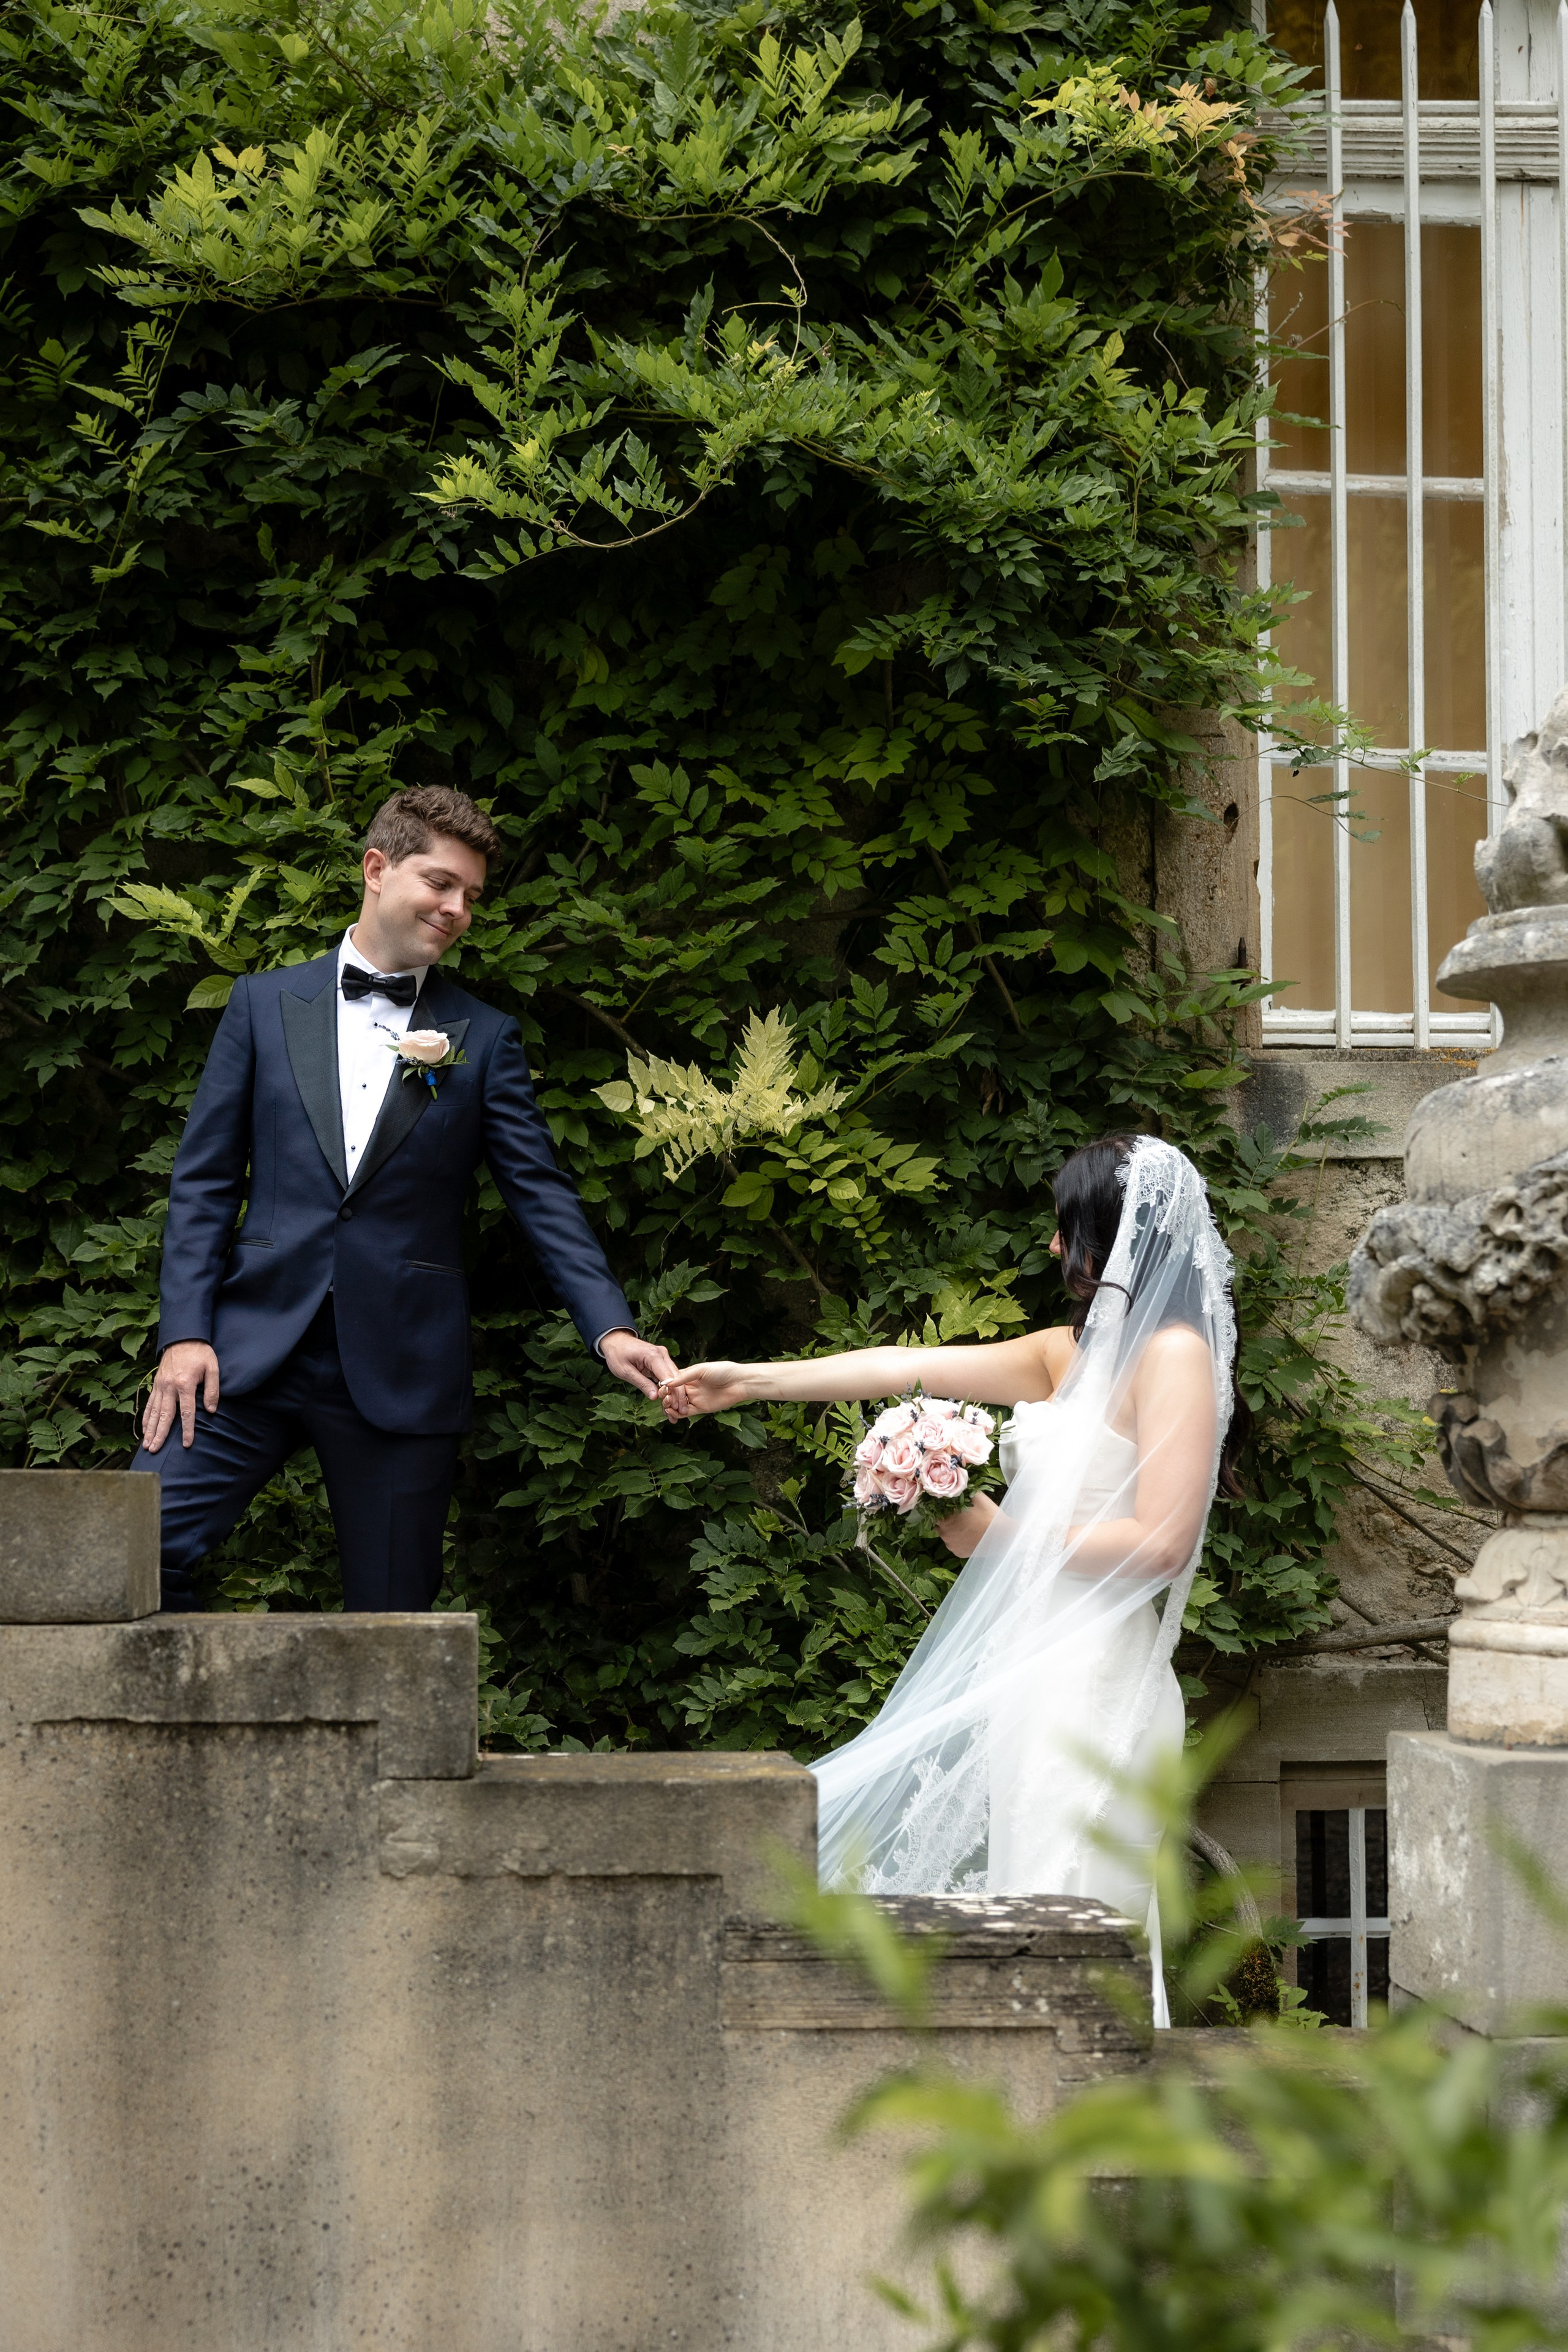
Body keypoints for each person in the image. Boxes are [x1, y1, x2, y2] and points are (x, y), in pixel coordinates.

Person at [658, 1133, 1243, 2025]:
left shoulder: (1172, 1357)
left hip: (1097, 1678)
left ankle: (1097, 2124)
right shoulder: (1067, 1352)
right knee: (1023, 1896)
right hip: (1032, 1669)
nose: (1053, 1248)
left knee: (1078, 1904)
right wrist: (753, 1382)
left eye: (1067, 1227)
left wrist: (1005, 1537)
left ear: (1120, 1234)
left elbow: (1162, 1542)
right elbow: (905, 1365)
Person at [134, 783, 676, 1612]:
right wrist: (185, 1335)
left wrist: (610, 1328)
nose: (458, 908)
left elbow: (540, 1196)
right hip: (242, 1358)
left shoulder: (483, 1038)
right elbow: (204, 1183)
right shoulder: (261, 1006)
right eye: (441, 882)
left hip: (401, 1370)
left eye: (472, 895)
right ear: (378, 868)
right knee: (124, 1561)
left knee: (394, 1634)